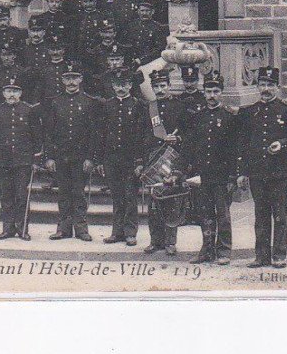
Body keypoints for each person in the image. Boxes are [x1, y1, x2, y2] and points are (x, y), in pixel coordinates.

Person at [239, 67, 287, 268]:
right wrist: (242, 172)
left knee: (279, 216)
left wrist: (282, 144)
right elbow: (243, 144)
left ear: (277, 87)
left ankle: (279, 256)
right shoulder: (250, 112)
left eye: (270, 85)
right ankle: (261, 256)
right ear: (257, 87)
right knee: (260, 216)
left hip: (280, 173)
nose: (266, 89)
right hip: (257, 173)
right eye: (262, 85)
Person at [182, 72, 242, 265]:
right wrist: (191, 171)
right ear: (204, 92)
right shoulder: (198, 116)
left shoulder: (229, 116)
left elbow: (235, 148)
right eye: (208, 91)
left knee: (223, 214)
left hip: (222, 175)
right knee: (205, 214)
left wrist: (233, 176)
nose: (212, 95)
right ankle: (207, 250)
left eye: (216, 91)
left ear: (221, 92)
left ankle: (224, 250)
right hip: (203, 174)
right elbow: (192, 146)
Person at [95, 67, 151, 246]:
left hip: (131, 159)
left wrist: (140, 161)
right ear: (113, 85)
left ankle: (130, 232)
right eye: (118, 84)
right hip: (111, 158)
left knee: (130, 196)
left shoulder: (138, 105)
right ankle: (117, 232)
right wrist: (100, 160)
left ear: (130, 85)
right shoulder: (107, 106)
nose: (121, 88)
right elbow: (101, 134)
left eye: (125, 84)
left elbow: (143, 135)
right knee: (117, 196)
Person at [43, 63, 97, 241]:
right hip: (61, 156)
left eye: (74, 78)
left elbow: (93, 132)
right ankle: (63, 229)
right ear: (62, 80)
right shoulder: (55, 102)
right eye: (67, 78)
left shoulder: (89, 102)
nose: (71, 82)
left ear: (80, 79)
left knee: (79, 194)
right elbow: (48, 132)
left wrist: (90, 158)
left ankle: (81, 229)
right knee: (64, 193)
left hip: (81, 157)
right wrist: (49, 157)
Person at [0, 75, 43, 240]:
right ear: (3, 93)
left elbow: (37, 136)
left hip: (23, 161)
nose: (12, 94)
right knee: (6, 196)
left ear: (21, 93)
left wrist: (36, 160)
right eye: (8, 91)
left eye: (15, 91)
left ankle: (22, 229)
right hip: (3, 160)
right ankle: (7, 229)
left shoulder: (29, 110)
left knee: (21, 196)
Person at [143, 69, 186, 255]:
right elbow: (143, 134)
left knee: (171, 200)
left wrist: (178, 138)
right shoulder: (149, 108)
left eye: (163, 85)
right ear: (152, 88)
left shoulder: (179, 106)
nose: (160, 89)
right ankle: (155, 241)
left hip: (172, 158)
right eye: (156, 86)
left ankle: (170, 242)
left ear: (169, 85)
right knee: (154, 202)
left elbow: (188, 132)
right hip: (154, 157)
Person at [120, 0, 166, 67]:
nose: (144, 13)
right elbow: (126, 44)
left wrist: (142, 60)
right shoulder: (131, 26)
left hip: (150, 63)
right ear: (138, 12)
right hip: (131, 61)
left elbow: (160, 48)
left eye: (147, 11)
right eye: (142, 10)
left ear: (152, 12)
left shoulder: (158, 27)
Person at [19, 15, 51, 103]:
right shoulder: (23, 49)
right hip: (28, 88)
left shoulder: (49, 49)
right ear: (29, 32)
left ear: (44, 32)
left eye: (38, 31)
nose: (36, 34)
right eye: (33, 31)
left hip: (46, 88)